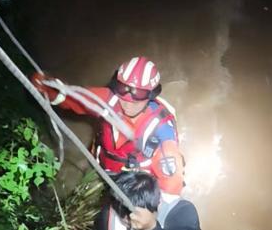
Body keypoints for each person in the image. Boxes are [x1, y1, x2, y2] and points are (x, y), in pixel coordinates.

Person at [31, 56, 185, 197]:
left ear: (151, 95)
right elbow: (72, 97)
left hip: (136, 184)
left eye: (137, 95)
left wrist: (151, 218)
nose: (127, 102)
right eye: (122, 89)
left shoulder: (162, 129)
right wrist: (48, 87)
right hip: (101, 166)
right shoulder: (108, 101)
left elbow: (171, 186)